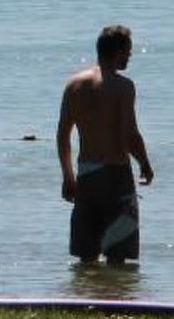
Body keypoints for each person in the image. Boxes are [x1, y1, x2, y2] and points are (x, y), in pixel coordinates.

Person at [57, 24, 153, 265]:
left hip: (86, 176)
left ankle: (85, 298)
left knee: (86, 256)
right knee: (117, 257)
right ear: (117, 51)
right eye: (128, 52)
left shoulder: (73, 85)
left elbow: (63, 136)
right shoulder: (122, 87)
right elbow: (129, 134)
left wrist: (69, 176)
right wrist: (145, 164)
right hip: (116, 177)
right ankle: (114, 299)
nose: (130, 57)